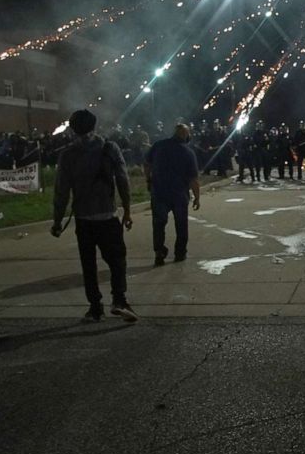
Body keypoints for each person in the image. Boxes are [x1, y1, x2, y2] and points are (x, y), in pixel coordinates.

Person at [51, 109, 138, 323]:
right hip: (108, 216)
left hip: (83, 218)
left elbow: (61, 190)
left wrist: (57, 220)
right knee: (117, 260)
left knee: (88, 264)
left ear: (72, 129)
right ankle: (119, 299)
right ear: (94, 126)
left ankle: (95, 307)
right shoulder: (109, 148)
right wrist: (127, 210)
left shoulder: (68, 154)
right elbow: (123, 180)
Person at [144, 123, 201, 266]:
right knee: (181, 225)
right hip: (179, 194)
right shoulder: (188, 153)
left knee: (158, 224)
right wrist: (197, 197)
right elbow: (193, 179)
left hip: (159, 192)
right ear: (186, 135)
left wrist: (149, 179)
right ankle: (180, 253)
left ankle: (159, 253)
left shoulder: (158, 146)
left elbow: (146, 163)